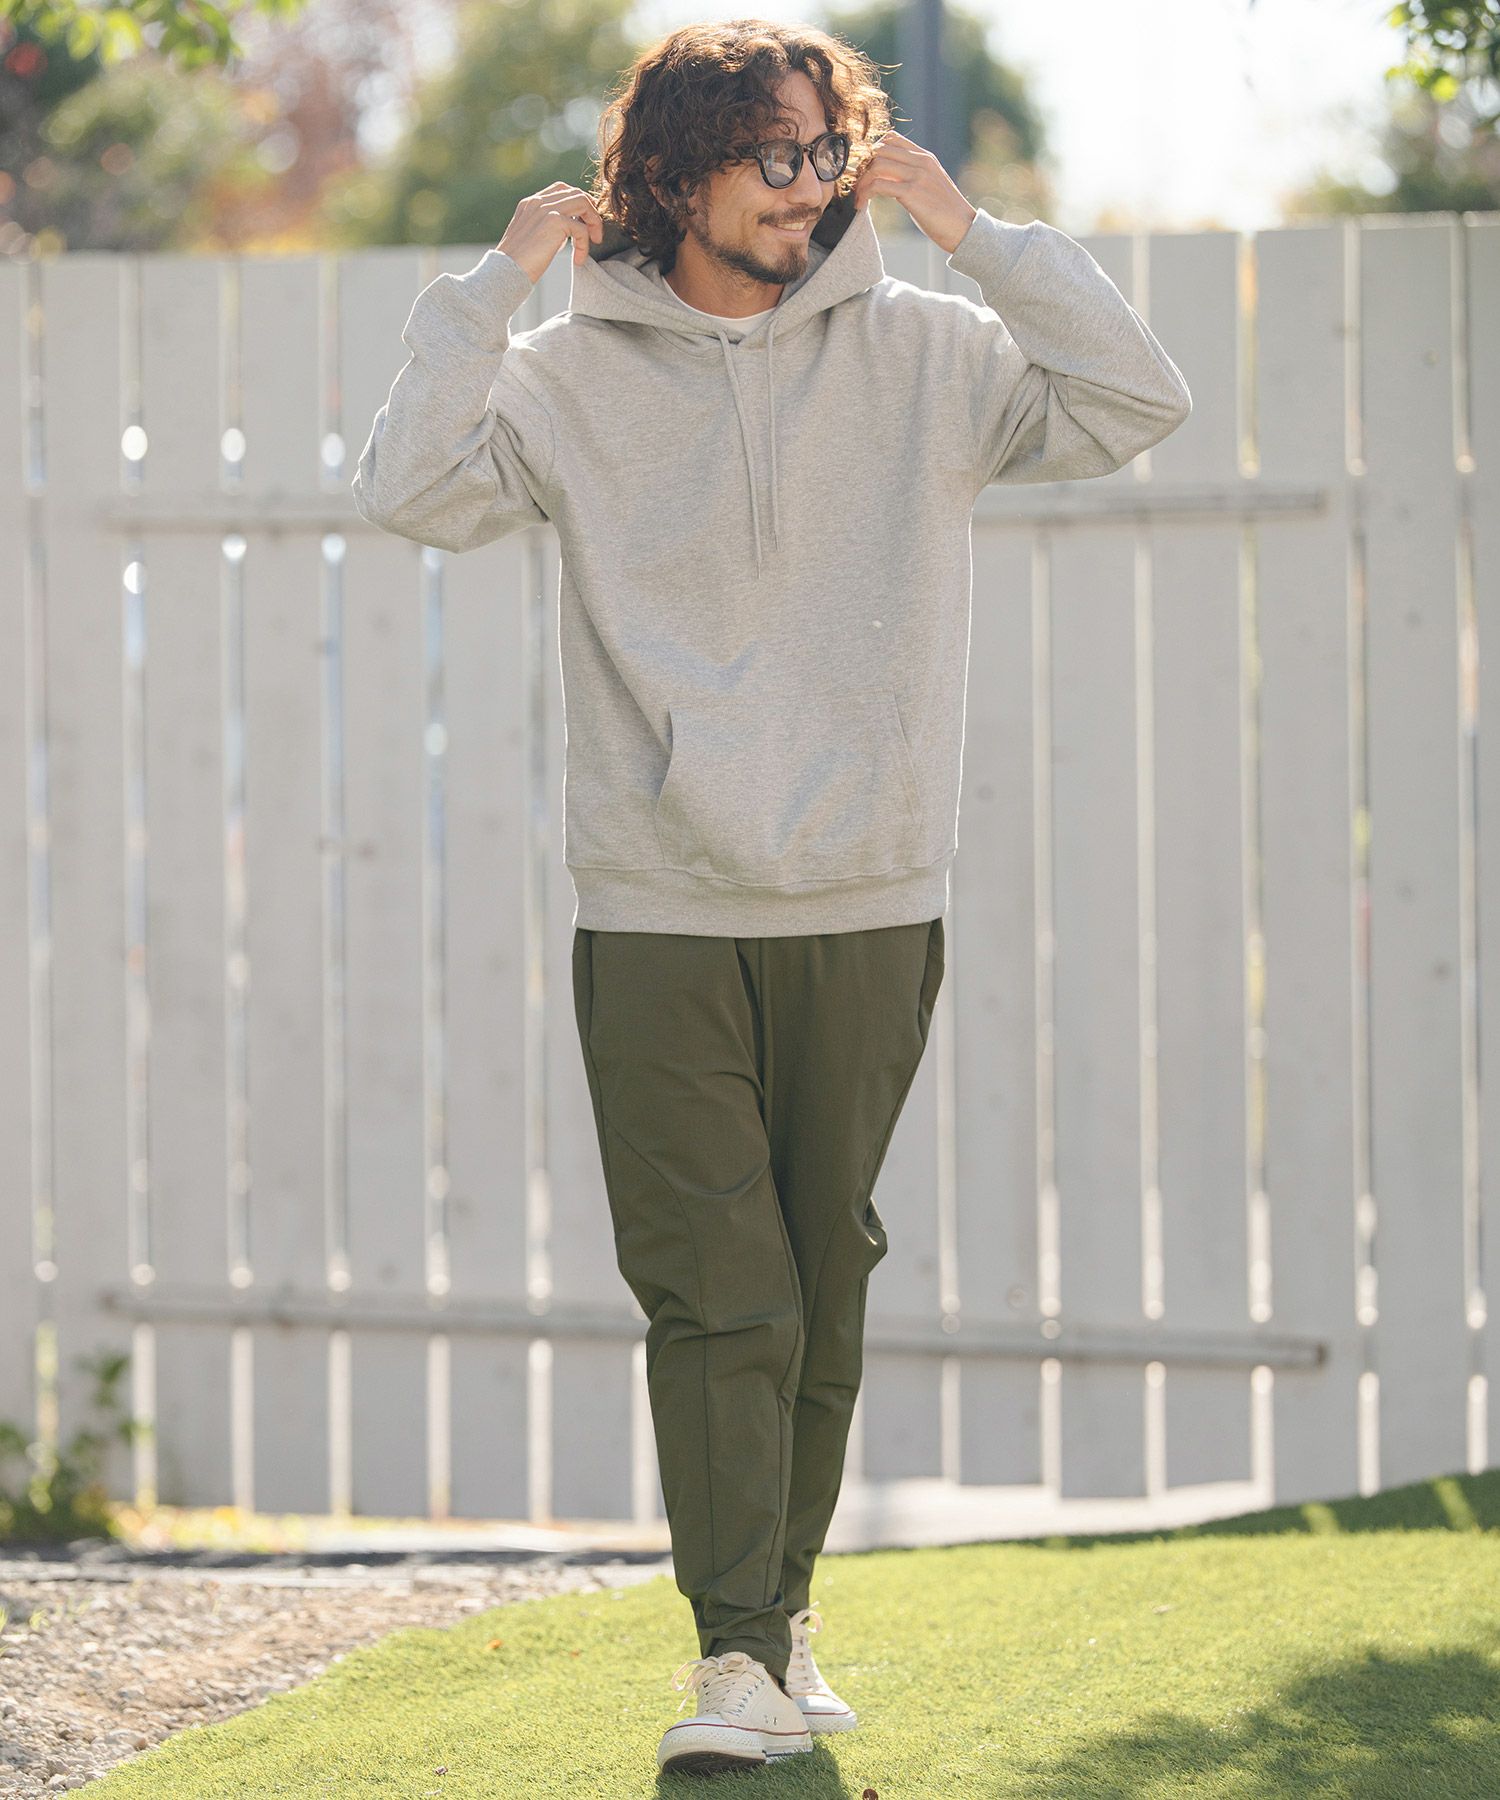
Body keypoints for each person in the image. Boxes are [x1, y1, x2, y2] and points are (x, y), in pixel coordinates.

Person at [351, 17, 1192, 1777]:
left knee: (819, 1279)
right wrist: (491, 289)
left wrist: (977, 234)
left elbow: (1135, 400)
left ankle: (777, 1620)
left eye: (826, 149)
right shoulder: (567, 377)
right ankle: (733, 1652)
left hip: (871, 896)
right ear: (676, 173)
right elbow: (412, 486)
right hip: (658, 907)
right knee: (719, 1285)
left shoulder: (932, 353)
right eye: (775, 155)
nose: (810, 186)